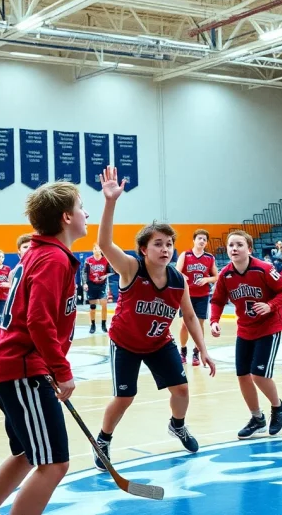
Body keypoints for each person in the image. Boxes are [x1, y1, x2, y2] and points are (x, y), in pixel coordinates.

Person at [92, 165, 216, 471]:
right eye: (158, 244)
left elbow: (188, 315)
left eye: (169, 244)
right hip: (125, 343)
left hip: (160, 343)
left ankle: (177, 425)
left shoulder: (178, 280)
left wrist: (203, 349)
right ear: (144, 249)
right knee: (125, 398)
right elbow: (106, 244)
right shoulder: (131, 269)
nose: (165, 249)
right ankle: (104, 440)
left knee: (182, 390)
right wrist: (110, 202)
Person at [0, 181, 88, 515]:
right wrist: (61, 371)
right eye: (82, 207)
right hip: (22, 369)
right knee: (54, 464)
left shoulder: (42, 254)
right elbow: (39, 321)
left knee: (28, 454)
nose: (86, 214)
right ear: (67, 217)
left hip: (15, 369)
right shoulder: (52, 258)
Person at [210, 230, 282, 439]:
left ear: (249, 249)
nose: (234, 248)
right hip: (245, 329)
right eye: (231, 245)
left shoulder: (264, 269)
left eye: (239, 244)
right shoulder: (225, 275)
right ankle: (257, 418)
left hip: (269, 327)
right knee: (243, 376)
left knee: (258, 374)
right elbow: (218, 300)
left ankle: (278, 407)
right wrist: (214, 321)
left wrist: (270, 305)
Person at [176, 229, 218, 366]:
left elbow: (216, 277)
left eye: (204, 239)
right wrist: (182, 276)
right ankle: (183, 351)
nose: (202, 241)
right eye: (199, 238)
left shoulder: (210, 258)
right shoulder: (185, 255)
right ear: (194, 240)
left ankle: (196, 352)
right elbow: (176, 271)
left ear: (206, 243)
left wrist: (206, 280)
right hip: (186, 295)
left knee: (199, 325)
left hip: (202, 296)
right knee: (184, 324)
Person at [82, 244, 109, 334]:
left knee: (104, 304)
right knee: (92, 306)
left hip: (102, 285)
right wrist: (85, 283)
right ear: (93, 250)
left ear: (101, 250)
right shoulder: (88, 260)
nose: (96, 250)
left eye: (98, 248)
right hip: (91, 284)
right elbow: (85, 272)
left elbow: (111, 272)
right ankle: (92, 325)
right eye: (94, 248)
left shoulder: (106, 260)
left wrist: (104, 276)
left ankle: (103, 324)